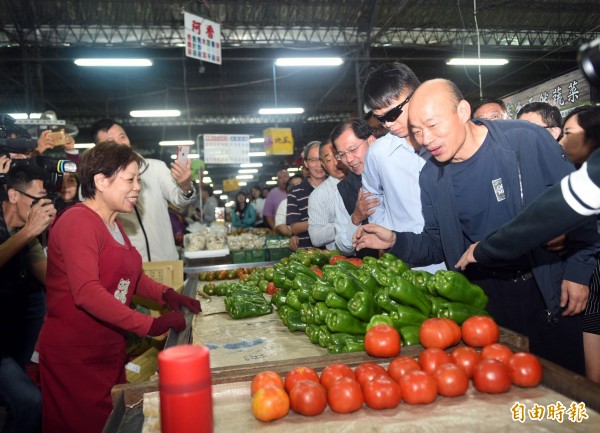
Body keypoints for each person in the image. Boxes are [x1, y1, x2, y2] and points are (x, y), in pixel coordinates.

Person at [354, 78, 600, 374]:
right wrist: (395, 240)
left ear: (462, 111)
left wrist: (578, 270)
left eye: (433, 125)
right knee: (502, 397)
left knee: (565, 397)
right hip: (485, 303)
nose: (426, 139)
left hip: (547, 289)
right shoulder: (431, 178)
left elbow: (580, 206)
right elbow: (437, 243)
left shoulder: (526, 140)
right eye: (417, 131)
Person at [37, 141, 201, 433]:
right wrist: (150, 324)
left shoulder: (113, 222)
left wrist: (167, 294)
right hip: (76, 359)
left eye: (139, 179)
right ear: (100, 181)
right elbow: (87, 292)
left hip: (108, 350)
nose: (138, 187)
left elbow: (131, 277)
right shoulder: (78, 222)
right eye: (130, 179)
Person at [362, 62, 445, 274]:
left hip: (458, 262)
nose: (388, 125)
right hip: (407, 264)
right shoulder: (378, 153)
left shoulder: (446, 142)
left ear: (417, 95)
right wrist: (388, 233)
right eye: (380, 119)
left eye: (392, 114)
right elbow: (372, 198)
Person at [90, 119, 196, 261]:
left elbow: (180, 199)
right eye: (111, 140)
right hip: (128, 268)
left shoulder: (155, 168)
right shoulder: (98, 182)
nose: (120, 143)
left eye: (122, 136)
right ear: (99, 148)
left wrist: (185, 186)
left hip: (166, 262)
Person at [1, 164, 56, 433]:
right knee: (30, 402)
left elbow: (49, 277)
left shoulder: (28, 234)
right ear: (13, 196)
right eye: (37, 201)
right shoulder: (24, 232)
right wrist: (29, 232)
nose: (42, 207)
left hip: (13, 333)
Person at [331, 118, 380, 257]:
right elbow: (342, 247)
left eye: (352, 149)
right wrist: (356, 218)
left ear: (371, 140)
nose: (349, 159)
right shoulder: (344, 189)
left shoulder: (396, 170)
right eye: (342, 155)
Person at [286, 141, 327, 250]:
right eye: (313, 160)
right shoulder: (295, 192)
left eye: (321, 159)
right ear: (306, 163)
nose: (319, 165)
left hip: (336, 254)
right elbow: (294, 228)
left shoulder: (338, 187)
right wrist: (323, 220)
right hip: (308, 256)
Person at [308, 140, 348, 250]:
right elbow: (316, 237)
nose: (336, 162)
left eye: (339, 156)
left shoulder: (363, 181)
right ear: (323, 164)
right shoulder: (319, 195)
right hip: (339, 259)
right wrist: (350, 221)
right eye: (329, 159)